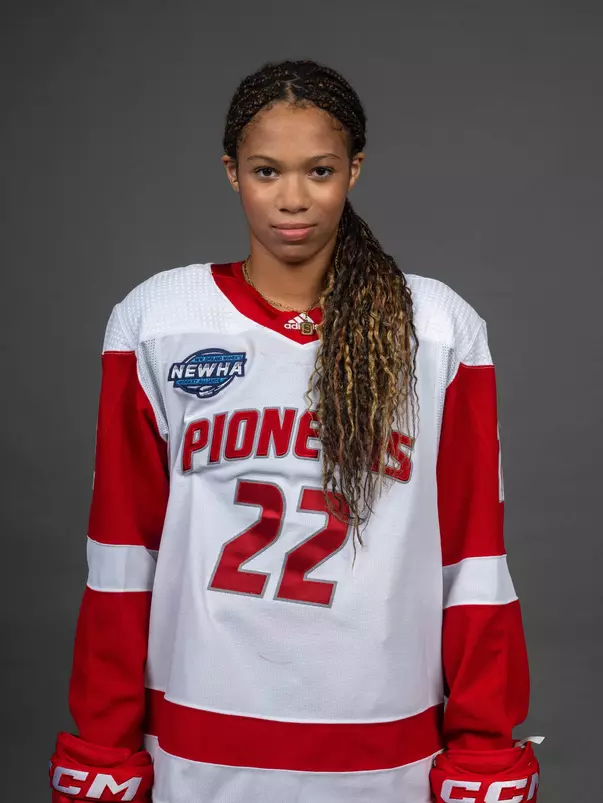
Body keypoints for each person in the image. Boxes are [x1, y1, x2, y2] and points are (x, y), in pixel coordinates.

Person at [49, 59, 541, 803]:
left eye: (319, 170)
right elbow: (122, 551)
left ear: (354, 170)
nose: (292, 198)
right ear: (231, 172)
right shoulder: (159, 318)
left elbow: (473, 558)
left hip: (383, 743)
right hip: (200, 736)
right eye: (265, 171)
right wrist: (105, 741)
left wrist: (482, 745)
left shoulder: (436, 327)